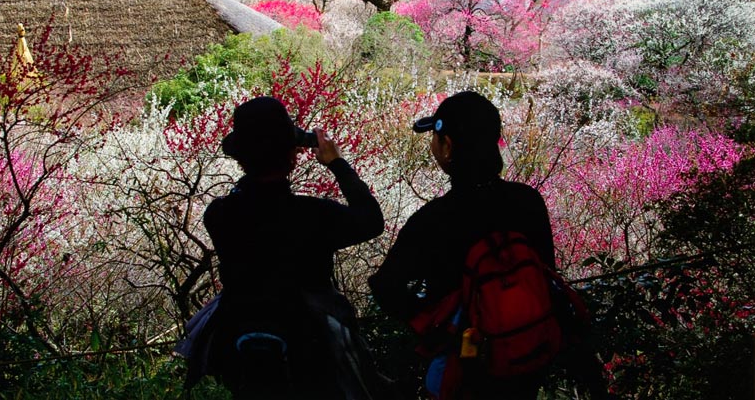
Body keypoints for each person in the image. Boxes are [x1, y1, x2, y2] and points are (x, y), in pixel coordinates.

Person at [186, 96, 388, 400]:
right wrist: (337, 164)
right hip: (311, 344)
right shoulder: (314, 215)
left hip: (237, 341)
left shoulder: (219, 214)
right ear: (294, 155)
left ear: (241, 158)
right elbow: (371, 220)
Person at [368, 91, 556, 400]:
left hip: (464, 369)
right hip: (527, 359)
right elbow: (547, 271)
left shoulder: (433, 221)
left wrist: (431, 319)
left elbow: (385, 288)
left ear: (448, 147)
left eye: (435, 139)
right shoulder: (528, 202)